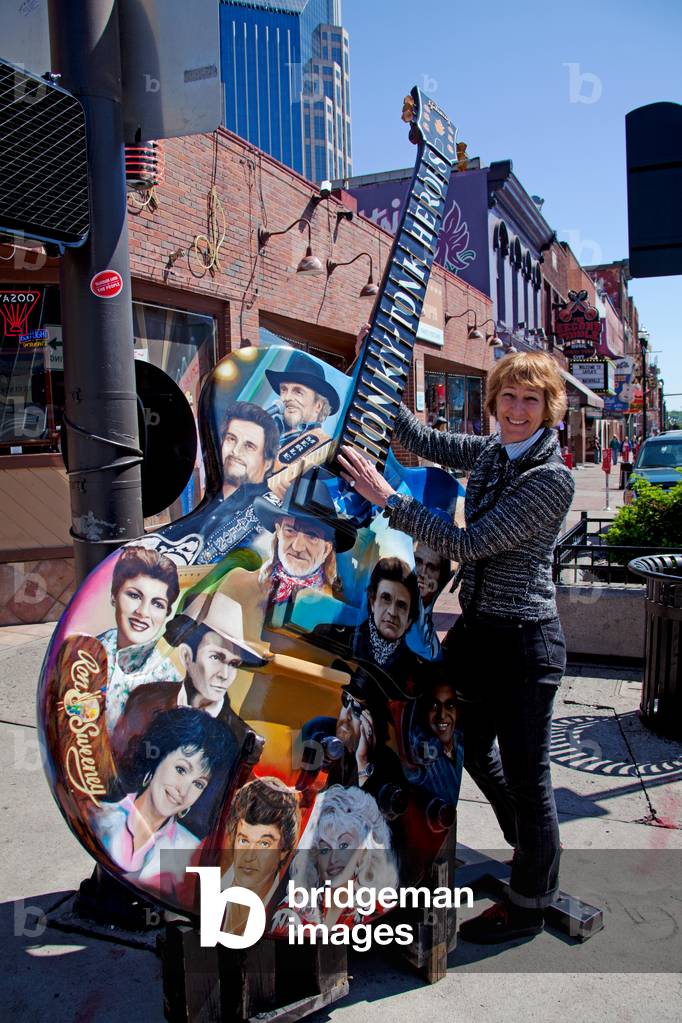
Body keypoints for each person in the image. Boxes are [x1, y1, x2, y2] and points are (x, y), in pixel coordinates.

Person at [338, 351, 575, 943]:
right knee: (461, 742)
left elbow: (469, 544)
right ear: (493, 402)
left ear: (549, 409)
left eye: (531, 400)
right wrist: (375, 369)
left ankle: (529, 901)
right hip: (477, 632)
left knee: (528, 773)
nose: (518, 410)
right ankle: (530, 842)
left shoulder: (551, 478)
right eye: (509, 398)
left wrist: (389, 497)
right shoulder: (495, 451)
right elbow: (422, 438)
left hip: (524, 642)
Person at [92, 708, 236, 899]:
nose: (183, 791)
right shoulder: (100, 816)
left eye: (198, 784)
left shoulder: (191, 850)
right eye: (181, 769)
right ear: (158, 758)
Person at [113, 591, 268, 759]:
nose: (225, 675)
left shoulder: (241, 740)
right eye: (216, 657)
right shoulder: (144, 699)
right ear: (186, 656)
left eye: (233, 664)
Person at [149, 401, 281, 565]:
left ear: (267, 462)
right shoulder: (208, 500)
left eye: (249, 446)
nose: (236, 451)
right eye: (231, 439)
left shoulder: (269, 513)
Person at [272, 784, 399, 930]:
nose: (333, 859)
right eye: (325, 849)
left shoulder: (382, 915)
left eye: (344, 845)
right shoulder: (291, 913)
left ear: (364, 851)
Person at [310, 557, 423, 699]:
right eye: (386, 598)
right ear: (372, 601)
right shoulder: (329, 636)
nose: (392, 612)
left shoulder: (415, 671)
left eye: (401, 605)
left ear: (409, 619)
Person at [98, 546, 183, 731]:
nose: (142, 612)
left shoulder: (168, 678)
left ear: (166, 613)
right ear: (114, 596)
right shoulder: (86, 652)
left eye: (157, 604)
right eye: (134, 595)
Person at [299, 668, 404, 797]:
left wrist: (363, 763)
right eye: (346, 700)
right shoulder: (318, 729)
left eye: (356, 709)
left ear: (373, 722)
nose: (346, 713)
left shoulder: (389, 767)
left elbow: (367, 813)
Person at [220, 776, 301, 933]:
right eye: (243, 840)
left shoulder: (288, 918)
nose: (249, 856)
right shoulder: (198, 890)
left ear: (283, 851)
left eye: (264, 844)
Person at [265, 350, 340, 465]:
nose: (287, 397)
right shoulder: (269, 435)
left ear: (318, 406)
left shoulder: (326, 450)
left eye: (298, 392)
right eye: (284, 389)